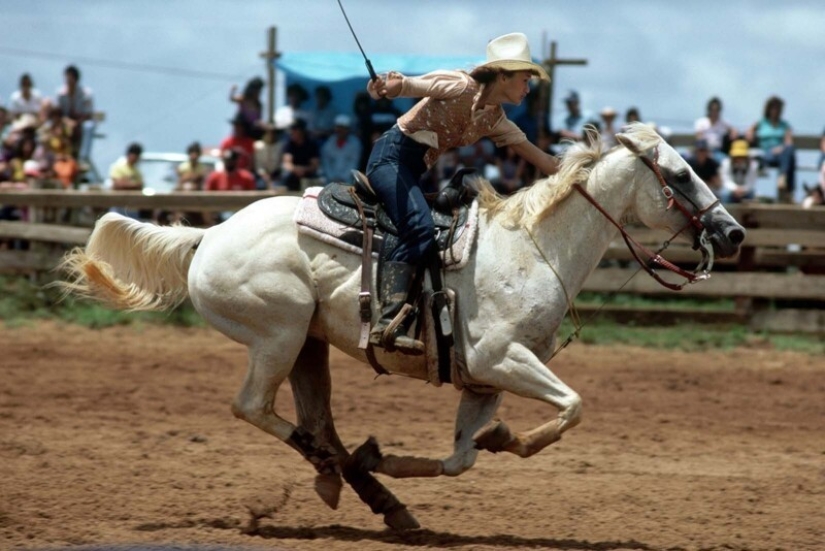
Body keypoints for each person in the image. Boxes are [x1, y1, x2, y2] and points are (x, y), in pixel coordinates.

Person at [363, 32, 559, 354]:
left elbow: (544, 161)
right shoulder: (458, 84)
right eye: (525, 80)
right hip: (389, 159)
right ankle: (387, 321)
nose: (528, 88)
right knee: (419, 226)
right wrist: (387, 86)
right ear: (503, 76)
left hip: (411, 170)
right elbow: (408, 85)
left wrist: (591, 170)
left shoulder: (495, 119)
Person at [746, 95, 796, 203]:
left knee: (789, 151)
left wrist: (781, 148)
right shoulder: (762, 122)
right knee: (790, 159)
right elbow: (749, 132)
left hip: (781, 153)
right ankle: (787, 188)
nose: (775, 111)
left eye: (778, 108)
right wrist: (752, 136)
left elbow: (789, 142)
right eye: (773, 108)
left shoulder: (785, 125)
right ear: (768, 109)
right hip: (765, 153)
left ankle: (783, 177)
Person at [56, 65, 94, 161]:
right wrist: (67, 121)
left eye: (70, 78)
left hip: (81, 122)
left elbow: (88, 114)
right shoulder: (60, 93)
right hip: (65, 122)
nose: (67, 80)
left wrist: (76, 123)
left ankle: (83, 158)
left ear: (75, 79)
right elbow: (58, 113)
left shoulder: (86, 94)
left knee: (89, 126)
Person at [280, 118, 320, 191]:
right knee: (285, 175)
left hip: (308, 173)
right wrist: (296, 169)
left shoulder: (311, 144)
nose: (292, 132)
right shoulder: (289, 144)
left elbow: (314, 165)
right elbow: (287, 163)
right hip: (293, 173)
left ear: (302, 131)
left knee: (318, 177)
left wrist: (303, 170)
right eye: (292, 129)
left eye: (295, 129)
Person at [320, 114, 361, 185]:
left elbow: (353, 163)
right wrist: (332, 178)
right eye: (338, 127)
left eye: (343, 128)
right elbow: (326, 163)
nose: (340, 130)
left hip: (348, 180)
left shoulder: (355, 143)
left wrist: (342, 178)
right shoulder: (328, 143)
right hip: (330, 180)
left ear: (348, 129)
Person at [718, 139, 757, 204]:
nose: (739, 158)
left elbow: (751, 182)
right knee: (724, 193)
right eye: (737, 156)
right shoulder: (726, 163)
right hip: (731, 190)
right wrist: (735, 189)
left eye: (742, 156)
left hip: (746, 191)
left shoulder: (753, 165)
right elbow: (726, 180)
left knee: (752, 194)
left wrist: (742, 190)